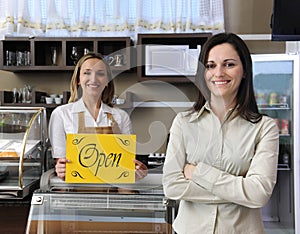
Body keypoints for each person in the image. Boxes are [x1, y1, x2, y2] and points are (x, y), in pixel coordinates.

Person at [162, 33, 279, 234]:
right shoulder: (183, 123)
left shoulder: (265, 127)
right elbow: (172, 186)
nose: (219, 73)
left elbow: (259, 193)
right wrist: (241, 188)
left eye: (229, 64)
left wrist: (197, 173)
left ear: (244, 71)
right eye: (210, 65)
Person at [49, 52, 147, 181]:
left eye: (100, 73)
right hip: (73, 193)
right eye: (87, 73)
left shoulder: (121, 117)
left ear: (107, 81)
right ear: (78, 79)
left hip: (110, 195)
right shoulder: (61, 114)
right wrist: (60, 168)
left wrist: (135, 171)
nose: (93, 79)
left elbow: (126, 163)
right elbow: (60, 161)